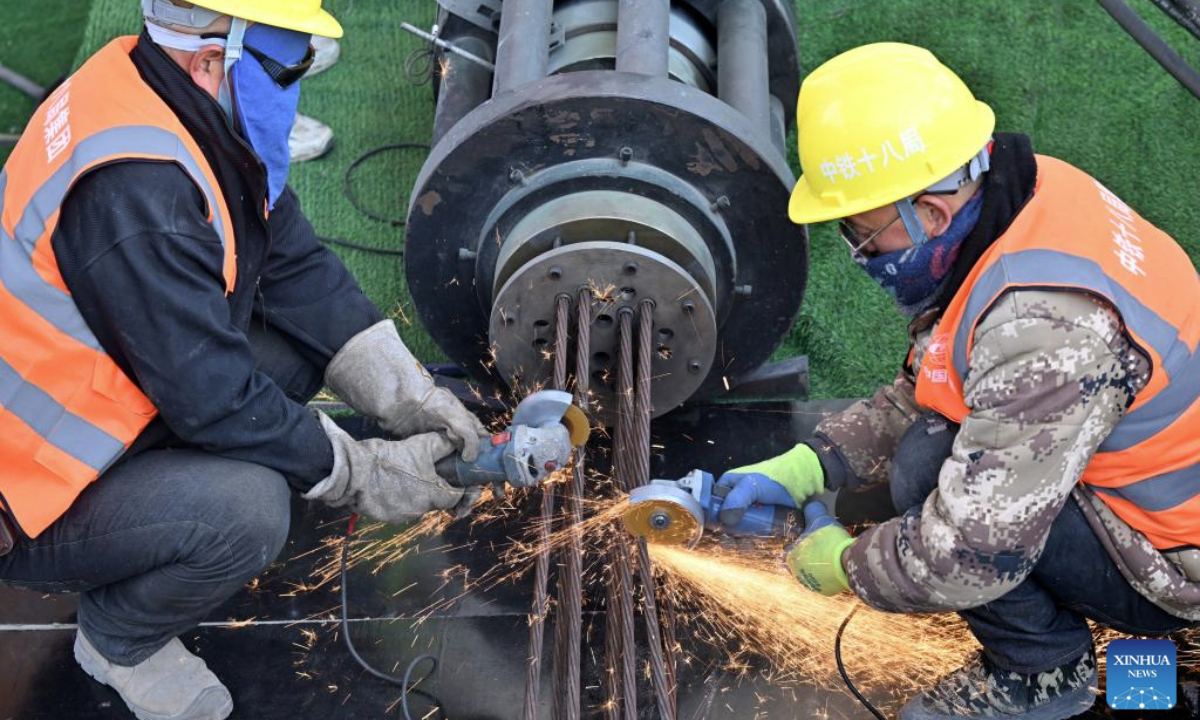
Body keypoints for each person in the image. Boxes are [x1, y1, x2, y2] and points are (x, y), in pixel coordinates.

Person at [0, 2, 487, 719]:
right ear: (211, 58)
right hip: (29, 488)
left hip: (101, 396)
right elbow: (214, 398)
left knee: (293, 347)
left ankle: (163, 510)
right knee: (247, 512)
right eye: (287, 68)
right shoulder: (138, 190)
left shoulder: (171, 99)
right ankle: (118, 638)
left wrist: (409, 394)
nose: (295, 90)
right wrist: (366, 474)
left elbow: (294, 265)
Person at [711, 43, 1200, 720]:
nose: (859, 253)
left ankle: (1042, 679)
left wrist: (847, 565)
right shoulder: (1028, 201)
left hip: (1175, 563)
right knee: (933, 447)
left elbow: (972, 554)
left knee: (928, 470)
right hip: (1132, 481)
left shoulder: (1042, 326)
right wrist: (810, 463)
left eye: (860, 231)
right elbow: (941, 380)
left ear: (929, 216)